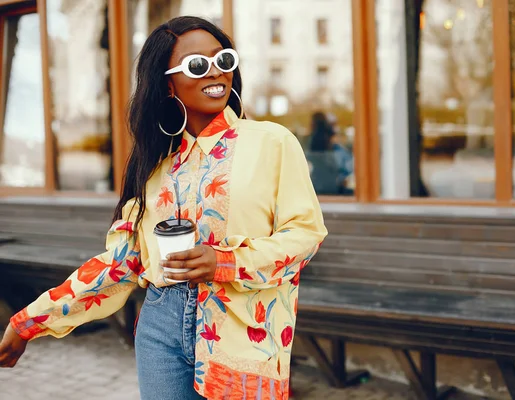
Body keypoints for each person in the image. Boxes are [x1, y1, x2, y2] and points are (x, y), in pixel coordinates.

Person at [0, 16, 327, 400]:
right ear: (168, 84)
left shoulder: (273, 142)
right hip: (161, 328)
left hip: (244, 336)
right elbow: (121, 263)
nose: (216, 72)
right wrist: (29, 322)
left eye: (223, 60)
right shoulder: (153, 164)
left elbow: (305, 235)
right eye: (198, 65)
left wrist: (222, 261)